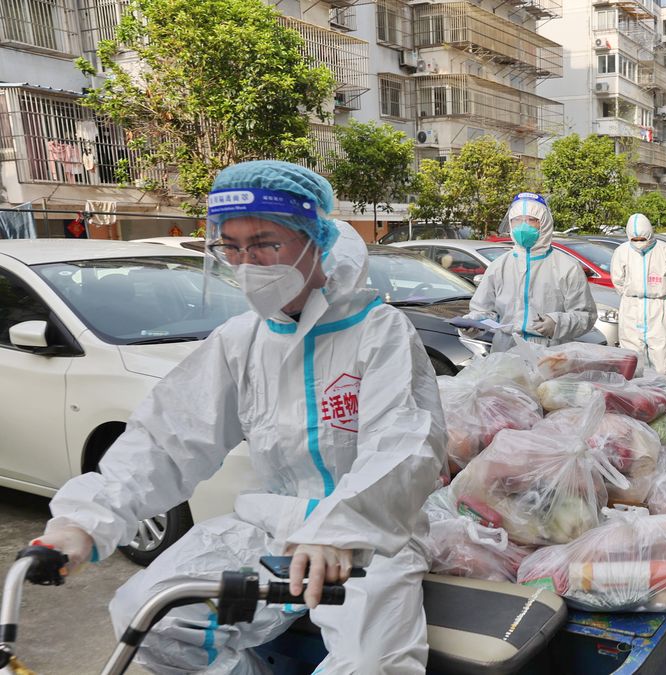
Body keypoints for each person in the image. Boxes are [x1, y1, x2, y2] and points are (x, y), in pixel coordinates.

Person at [33, 160, 446, 673]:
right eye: (231, 246)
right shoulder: (241, 339)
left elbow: (404, 446)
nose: (248, 262)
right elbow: (168, 440)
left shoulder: (379, 332)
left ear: (315, 237)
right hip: (269, 529)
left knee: (372, 665)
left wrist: (339, 530)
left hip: (369, 539)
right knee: (150, 619)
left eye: (265, 243)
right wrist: (85, 523)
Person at [466, 192, 597, 352]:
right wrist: (474, 323)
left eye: (531, 220)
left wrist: (557, 323)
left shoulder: (567, 267)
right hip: (506, 350)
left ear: (545, 224)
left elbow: (585, 315)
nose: (523, 226)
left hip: (551, 351)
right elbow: (484, 310)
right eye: (517, 220)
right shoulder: (499, 266)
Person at [610, 213, 666, 376]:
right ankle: (637, 396)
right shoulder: (622, 251)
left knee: (662, 359)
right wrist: (632, 293)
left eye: (643, 239)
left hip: (657, 307)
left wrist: (657, 292)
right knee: (632, 357)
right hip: (631, 307)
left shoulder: (665, 250)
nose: (639, 243)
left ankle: (663, 394)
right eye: (635, 239)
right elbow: (617, 279)